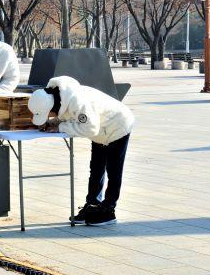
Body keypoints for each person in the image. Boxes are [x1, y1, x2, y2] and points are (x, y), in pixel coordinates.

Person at [28, 76, 134, 226]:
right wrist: (54, 123)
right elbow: (70, 116)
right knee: (96, 169)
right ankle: (92, 205)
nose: (49, 116)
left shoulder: (78, 102)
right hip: (101, 130)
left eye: (48, 114)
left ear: (52, 107)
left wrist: (60, 127)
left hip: (118, 126)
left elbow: (90, 127)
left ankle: (109, 210)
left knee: (113, 170)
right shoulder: (61, 96)